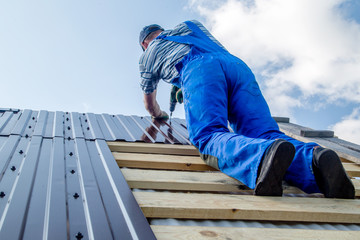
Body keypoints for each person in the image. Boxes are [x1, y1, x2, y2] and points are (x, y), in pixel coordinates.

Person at [138, 20, 355, 198]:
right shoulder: (190, 24)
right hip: (237, 67)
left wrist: (163, 114)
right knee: (265, 133)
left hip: (199, 70)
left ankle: (261, 157)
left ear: (145, 44)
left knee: (208, 135)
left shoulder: (147, 56)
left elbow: (151, 105)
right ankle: (315, 160)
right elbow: (207, 51)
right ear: (162, 30)